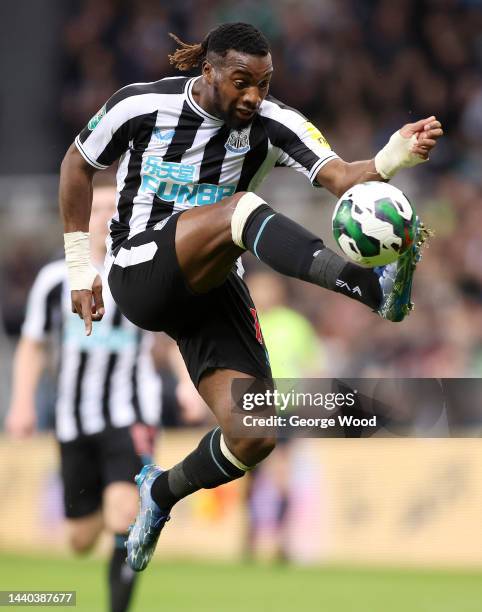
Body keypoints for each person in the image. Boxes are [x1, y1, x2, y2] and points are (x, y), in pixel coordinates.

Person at [58, 22, 443, 572]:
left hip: (211, 285)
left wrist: (393, 158)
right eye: (242, 82)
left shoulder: (272, 122)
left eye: (263, 83)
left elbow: (338, 177)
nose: (254, 96)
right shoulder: (139, 106)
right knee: (238, 209)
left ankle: (160, 494)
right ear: (207, 70)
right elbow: (77, 165)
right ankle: (370, 289)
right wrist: (79, 267)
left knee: (255, 433)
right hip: (139, 268)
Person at [6, 185, 162, 609]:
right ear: (85, 218)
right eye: (100, 209)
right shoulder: (55, 280)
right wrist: (21, 403)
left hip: (130, 413)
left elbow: (174, 336)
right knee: (79, 538)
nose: (108, 217)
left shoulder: (144, 273)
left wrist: (186, 384)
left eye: (116, 209)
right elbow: (33, 344)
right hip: (72, 419)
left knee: (123, 513)